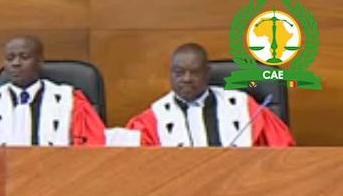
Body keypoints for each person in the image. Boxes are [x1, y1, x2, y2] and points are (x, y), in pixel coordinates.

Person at [125, 42, 295, 148]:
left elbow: (282, 152)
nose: (186, 79)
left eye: (194, 73)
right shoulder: (151, 121)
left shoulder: (243, 107)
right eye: (179, 72)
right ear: (170, 74)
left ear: (207, 73)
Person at [0, 35, 106, 146]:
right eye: (10, 58)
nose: (16, 63)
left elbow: (93, 146)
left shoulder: (70, 102)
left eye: (24, 57)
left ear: (40, 61)